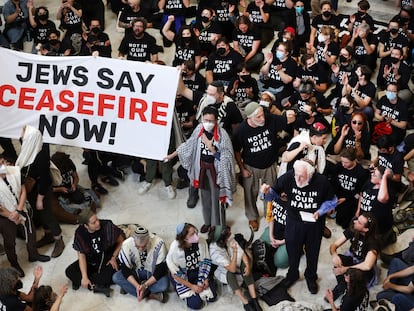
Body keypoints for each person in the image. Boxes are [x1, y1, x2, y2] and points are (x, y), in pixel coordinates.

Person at [260, 159, 337, 294]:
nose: (297, 178)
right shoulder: (289, 176)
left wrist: (321, 211)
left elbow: (332, 201)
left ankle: (311, 277)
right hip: (294, 221)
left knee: (313, 253)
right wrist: (266, 193)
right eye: (296, 174)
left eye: (301, 176)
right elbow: (273, 195)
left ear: (311, 174)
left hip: (314, 223)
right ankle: (292, 274)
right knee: (292, 250)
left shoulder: (322, 181)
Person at [165, 106, 236, 233]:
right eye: (205, 119)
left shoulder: (222, 135)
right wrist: (171, 156)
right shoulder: (199, 129)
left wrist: (211, 148)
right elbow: (189, 145)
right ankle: (208, 222)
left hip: (216, 171)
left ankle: (218, 226)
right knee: (205, 197)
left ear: (216, 121)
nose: (208, 123)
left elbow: (227, 158)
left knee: (217, 199)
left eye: (211, 120)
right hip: (202, 168)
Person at [233, 102, 296, 231]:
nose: (262, 119)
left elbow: (287, 120)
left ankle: (270, 215)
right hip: (251, 166)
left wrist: (291, 114)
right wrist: (242, 169)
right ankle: (252, 216)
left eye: (262, 115)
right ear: (249, 118)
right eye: (258, 117)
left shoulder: (269, 118)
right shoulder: (241, 130)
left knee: (272, 192)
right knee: (250, 193)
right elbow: (236, 151)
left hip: (270, 164)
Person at [15, 125, 65, 259]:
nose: (20, 137)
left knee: (47, 215)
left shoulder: (40, 155)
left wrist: (39, 198)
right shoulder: (30, 146)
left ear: (30, 138)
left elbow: (45, 179)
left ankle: (58, 239)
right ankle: (48, 235)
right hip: (32, 188)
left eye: (23, 135)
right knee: (39, 214)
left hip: (41, 191)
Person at [0, 156, 50, 278]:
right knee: (9, 240)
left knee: (30, 231)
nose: (3, 166)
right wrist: (10, 215)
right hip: (4, 215)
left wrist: (18, 210)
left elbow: (23, 190)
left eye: (2, 162)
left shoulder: (15, 171)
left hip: (20, 208)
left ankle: (33, 254)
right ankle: (14, 263)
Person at [65, 210, 125, 295]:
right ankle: (97, 286)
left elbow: (121, 241)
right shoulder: (80, 233)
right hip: (91, 260)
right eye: (93, 223)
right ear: (86, 226)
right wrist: (84, 276)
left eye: (97, 219)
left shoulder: (107, 226)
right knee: (70, 271)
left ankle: (90, 284)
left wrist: (114, 257)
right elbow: (81, 255)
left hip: (107, 259)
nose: (98, 223)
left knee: (108, 277)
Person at [208, 225, 263, 311]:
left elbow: (242, 253)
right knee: (230, 273)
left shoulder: (228, 238)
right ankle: (245, 302)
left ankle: (254, 299)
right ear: (223, 240)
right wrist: (234, 251)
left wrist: (248, 266)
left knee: (244, 266)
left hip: (234, 261)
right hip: (225, 270)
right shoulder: (215, 252)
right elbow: (232, 268)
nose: (231, 235)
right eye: (228, 235)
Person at [328, 212, 380, 301]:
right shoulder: (354, 229)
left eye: (359, 222)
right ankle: (342, 285)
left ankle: (345, 288)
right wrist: (334, 255)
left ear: (366, 229)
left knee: (353, 275)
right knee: (339, 260)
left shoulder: (373, 242)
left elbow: (367, 265)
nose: (355, 221)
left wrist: (346, 269)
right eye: (357, 219)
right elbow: (334, 245)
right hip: (353, 258)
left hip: (362, 266)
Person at [166, 223, 217, 310]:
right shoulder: (175, 248)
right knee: (196, 304)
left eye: (195, 232)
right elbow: (174, 273)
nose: (196, 235)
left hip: (198, 272)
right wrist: (191, 286)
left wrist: (205, 279)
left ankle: (200, 287)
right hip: (183, 275)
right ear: (184, 238)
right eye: (192, 234)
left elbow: (205, 261)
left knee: (213, 297)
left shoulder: (201, 242)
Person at [112, 225, 168, 303]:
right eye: (137, 246)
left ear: (148, 240)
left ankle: (134, 290)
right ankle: (149, 294)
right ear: (133, 241)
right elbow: (125, 269)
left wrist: (145, 285)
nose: (141, 249)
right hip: (135, 272)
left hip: (152, 273)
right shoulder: (126, 244)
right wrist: (137, 286)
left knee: (164, 284)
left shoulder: (159, 243)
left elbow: (161, 270)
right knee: (116, 277)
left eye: (144, 246)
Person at [356, 165, 395, 248]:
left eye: (375, 175)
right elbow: (361, 194)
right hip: (366, 220)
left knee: (376, 243)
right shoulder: (370, 183)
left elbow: (382, 198)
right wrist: (359, 209)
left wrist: (384, 176)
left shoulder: (388, 192)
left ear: (382, 180)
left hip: (379, 226)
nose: (372, 174)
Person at [330, 148, 370, 229]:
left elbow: (359, 192)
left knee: (342, 222)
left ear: (353, 160)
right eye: (342, 161)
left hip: (351, 197)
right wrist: (333, 197)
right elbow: (333, 183)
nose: (343, 165)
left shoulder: (361, 173)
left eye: (346, 162)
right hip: (338, 194)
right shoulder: (339, 167)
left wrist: (346, 199)